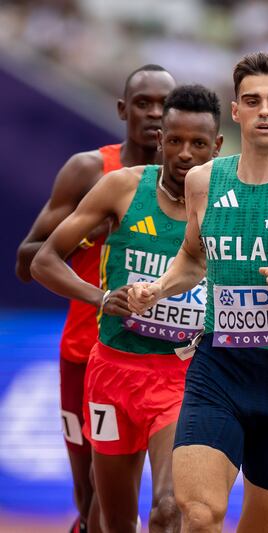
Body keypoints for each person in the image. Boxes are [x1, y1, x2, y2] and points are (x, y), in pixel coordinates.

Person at [127, 53, 268, 532]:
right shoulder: (203, 181)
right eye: (253, 101)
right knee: (200, 514)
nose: (265, 110)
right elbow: (193, 257)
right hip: (218, 368)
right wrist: (158, 288)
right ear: (237, 110)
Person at [31, 85, 222, 533]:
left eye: (198, 144)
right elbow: (43, 259)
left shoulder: (226, 205)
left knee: (170, 507)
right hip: (113, 372)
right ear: (160, 141)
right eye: (175, 140)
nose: (185, 154)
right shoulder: (121, 187)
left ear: (217, 147)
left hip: (182, 376)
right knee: (112, 519)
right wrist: (100, 297)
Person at [15, 64, 175, 533]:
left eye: (164, 104)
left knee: (164, 497)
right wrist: (92, 237)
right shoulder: (90, 170)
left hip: (161, 356)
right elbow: (28, 262)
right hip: (86, 354)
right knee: (89, 492)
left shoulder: (194, 183)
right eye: (143, 103)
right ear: (123, 110)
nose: (155, 114)